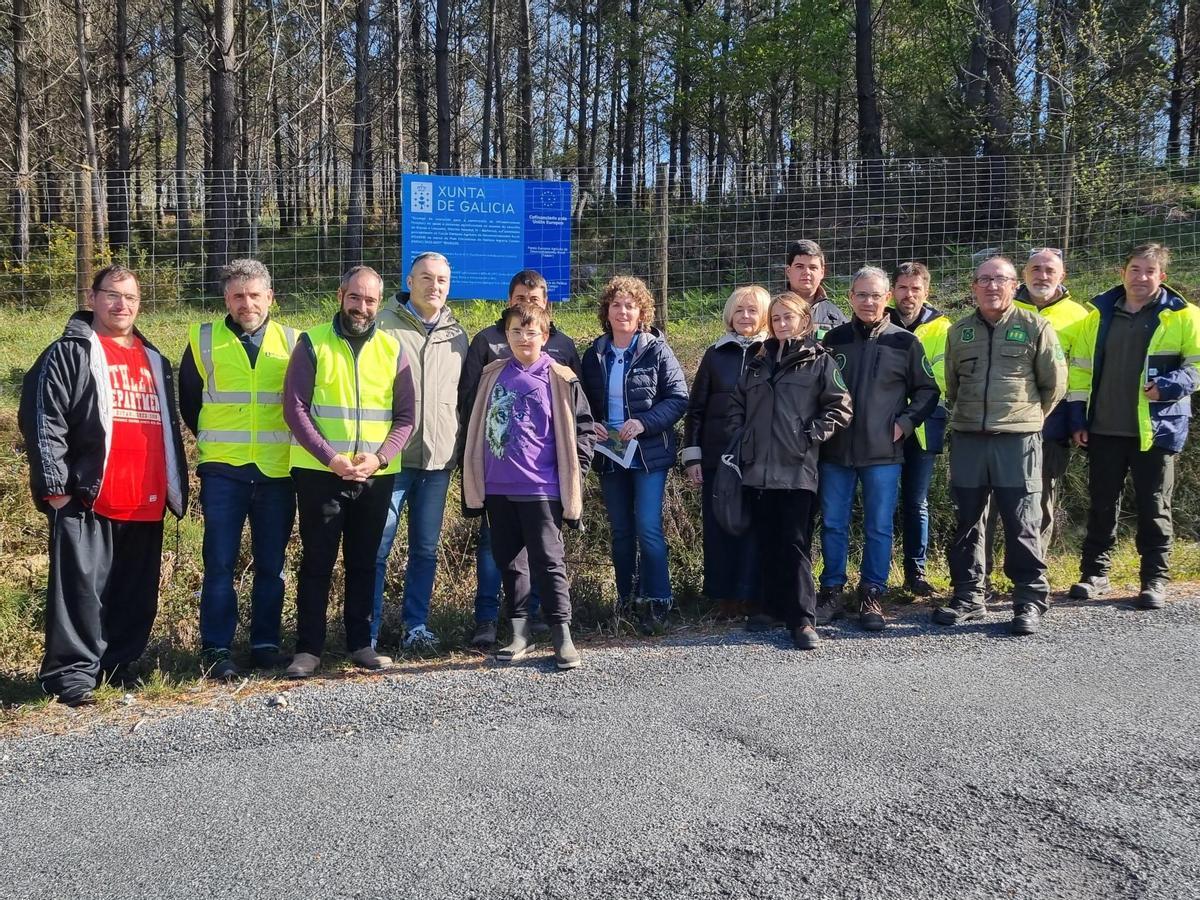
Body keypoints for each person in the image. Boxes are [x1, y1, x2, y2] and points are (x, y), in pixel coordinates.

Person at [19, 264, 188, 706]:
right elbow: (43, 417)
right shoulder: (69, 352)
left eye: (130, 298)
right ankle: (71, 676)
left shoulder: (154, 359)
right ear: (93, 298)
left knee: (134, 591)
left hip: (145, 497)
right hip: (88, 495)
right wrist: (55, 483)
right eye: (112, 295)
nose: (121, 305)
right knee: (79, 593)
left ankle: (117, 665)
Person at [282, 266, 416, 678]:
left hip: (374, 475)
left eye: (370, 300)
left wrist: (378, 458)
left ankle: (361, 643)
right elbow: (295, 409)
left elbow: (406, 417)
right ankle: (309, 649)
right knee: (317, 562)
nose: (361, 307)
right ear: (341, 295)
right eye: (354, 297)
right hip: (321, 474)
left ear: (380, 303)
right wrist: (330, 458)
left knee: (365, 561)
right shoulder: (313, 342)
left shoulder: (393, 349)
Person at [935, 256, 1066, 635]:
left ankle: (1028, 600)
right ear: (973, 286)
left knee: (1022, 521)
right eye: (984, 280)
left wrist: (1026, 419)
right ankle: (969, 595)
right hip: (969, 439)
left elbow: (1053, 385)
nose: (992, 286)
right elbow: (953, 385)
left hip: (1017, 441)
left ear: (1014, 286)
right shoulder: (958, 332)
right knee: (967, 521)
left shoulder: (1035, 326)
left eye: (1001, 280)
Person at [461, 303, 597, 668]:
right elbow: (475, 422)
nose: (523, 338)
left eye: (531, 332)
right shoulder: (492, 374)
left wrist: (576, 472)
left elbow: (584, 430)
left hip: (543, 487)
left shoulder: (561, 377)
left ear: (545, 336)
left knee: (549, 562)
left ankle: (561, 635)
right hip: (497, 487)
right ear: (505, 336)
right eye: (516, 332)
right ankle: (519, 633)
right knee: (509, 562)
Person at [179, 259, 297, 679]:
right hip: (223, 472)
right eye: (237, 296)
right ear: (226, 299)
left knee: (272, 564)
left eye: (254, 295)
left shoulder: (294, 341)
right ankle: (216, 649)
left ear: (270, 298)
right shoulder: (202, 339)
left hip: (276, 472)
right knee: (220, 564)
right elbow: (190, 403)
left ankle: (265, 645)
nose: (246, 303)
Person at [1068, 243, 1200, 609]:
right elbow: (1079, 369)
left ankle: (1154, 579)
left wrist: (1169, 386)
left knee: (1154, 506)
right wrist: (1078, 417)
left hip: (1156, 430)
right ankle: (1095, 574)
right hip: (1104, 428)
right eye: (1135, 269)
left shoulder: (1185, 316)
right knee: (1101, 505)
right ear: (1122, 272)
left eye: (1149, 271)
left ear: (1163, 277)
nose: (1141, 277)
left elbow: (1197, 367)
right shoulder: (1098, 315)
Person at [728, 292, 852, 649]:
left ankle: (802, 619)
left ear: (804, 321)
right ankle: (771, 607)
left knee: (795, 544)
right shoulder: (756, 359)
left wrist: (810, 435)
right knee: (766, 540)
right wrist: (743, 435)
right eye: (777, 318)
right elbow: (738, 402)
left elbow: (840, 408)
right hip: (757, 468)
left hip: (797, 469)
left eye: (789, 318)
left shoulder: (819, 361)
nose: (782, 324)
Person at [817, 267, 939, 630]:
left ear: (887, 299)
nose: (868, 302)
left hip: (883, 453)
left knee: (879, 527)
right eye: (861, 295)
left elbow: (928, 391)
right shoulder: (833, 340)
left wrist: (905, 423)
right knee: (833, 524)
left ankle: (872, 593)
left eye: (876, 295)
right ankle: (832, 590)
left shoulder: (904, 342)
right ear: (850, 298)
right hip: (836, 452)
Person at [979, 248, 1090, 595]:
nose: (1042, 275)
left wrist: (1075, 422)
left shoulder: (1080, 316)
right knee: (989, 506)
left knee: (1037, 506)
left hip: (1050, 427)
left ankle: (1028, 580)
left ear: (1063, 276)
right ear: (1022, 277)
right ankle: (979, 577)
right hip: (999, 427)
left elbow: (1079, 377)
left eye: (1049, 270)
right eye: (1035, 269)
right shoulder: (1004, 307)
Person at [373, 251, 469, 652]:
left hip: (438, 461)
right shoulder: (382, 325)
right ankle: (369, 629)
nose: (435, 286)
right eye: (426, 278)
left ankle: (417, 627)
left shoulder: (458, 335)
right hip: (391, 459)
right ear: (409, 281)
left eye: (442, 280)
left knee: (425, 548)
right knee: (378, 546)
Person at [581, 276, 689, 629]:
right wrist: (592, 424)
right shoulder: (594, 353)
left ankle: (659, 599)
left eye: (630, 305)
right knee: (621, 531)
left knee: (648, 526)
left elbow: (678, 399)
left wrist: (643, 423)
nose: (623, 311)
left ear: (642, 312)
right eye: (616, 305)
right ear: (606, 312)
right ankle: (627, 599)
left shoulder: (657, 350)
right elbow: (582, 403)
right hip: (609, 453)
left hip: (647, 455)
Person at [682, 285, 770, 618]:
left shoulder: (772, 352)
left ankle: (752, 595)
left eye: (752, 310)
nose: (745, 316)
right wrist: (693, 457)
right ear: (730, 314)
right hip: (718, 458)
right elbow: (696, 410)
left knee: (754, 528)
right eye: (739, 310)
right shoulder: (715, 355)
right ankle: (724, 597)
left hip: (760, 458)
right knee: (719, 526)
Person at [886, 262, 950, 596]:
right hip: (881, 428)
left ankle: (916, 573)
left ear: (926, 291)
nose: (908, 295)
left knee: (916, 501)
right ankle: (878, 574)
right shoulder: (879, 322)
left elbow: (940, 382)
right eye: (902, 288)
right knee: (882, 502)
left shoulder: (942, 328)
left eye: (915, 289)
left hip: (923, 425)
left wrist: (908, 414)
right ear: (892, 290)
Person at [783, 239, 849, 339]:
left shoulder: (835, 317)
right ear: (788, 271)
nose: (806, 272)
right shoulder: (771, 311)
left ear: (822, 272)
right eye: (799, 266)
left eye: (813, 267)